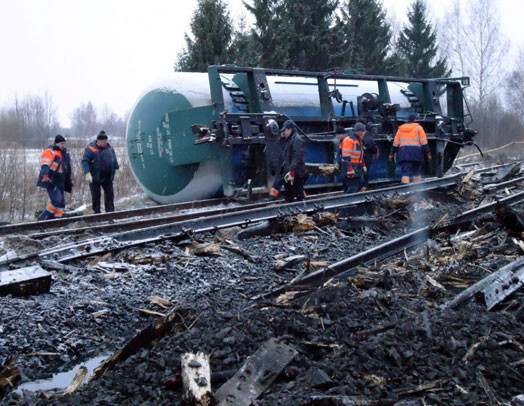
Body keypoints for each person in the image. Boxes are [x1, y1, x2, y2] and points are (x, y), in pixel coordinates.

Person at [82, 130, 120, 213]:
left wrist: (116, 169)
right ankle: (97, 214)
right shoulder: (91, 149)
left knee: (110, 196)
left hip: (107, 176)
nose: (105, 142)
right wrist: (87, 173)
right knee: (96, 197)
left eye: (106, 141)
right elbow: (85, 161)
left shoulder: (109, 148)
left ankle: (110, 214)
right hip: (95, 177)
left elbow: (114, 159)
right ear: (98, 141)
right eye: (103, 141)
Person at [36, 134, 72, 220]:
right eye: (62, 143)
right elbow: (45, 165)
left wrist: (69, 181)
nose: (63, 145)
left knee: (61, 204)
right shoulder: (50, 152)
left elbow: (68, 168)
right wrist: (45, 176)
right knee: (56, 200)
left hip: (61, 181)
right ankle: (44, 218)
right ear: (57, 143)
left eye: (64, 143)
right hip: (52, 181)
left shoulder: (64, 154)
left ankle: (57, 220)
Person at [269, 120, 307, 202]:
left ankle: (304, 207)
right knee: (291, 193)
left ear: (290, 129)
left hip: (296, 173)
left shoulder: (297, 140)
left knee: (296, 193)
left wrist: (292, 171)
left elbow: (297, 157)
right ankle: (299, 206)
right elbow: (283, 148)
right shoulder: (288, 140)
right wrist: (282, 138)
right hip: (290, 172)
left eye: (284, 130)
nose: (283, 132)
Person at [389, 113, 431, 183]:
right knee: (416, 173)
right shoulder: (419, 128)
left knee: (405, 174)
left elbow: (395, 143)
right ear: (415, 120)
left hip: (404, 154)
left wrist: (391, 153)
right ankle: (418, 189)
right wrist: (428, 153)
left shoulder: (401, 129)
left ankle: (405, 190)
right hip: (416, 154)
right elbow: (424, 143)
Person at [335, 126, 366, 194]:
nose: (364, 133)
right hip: (351, 166)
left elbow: (359, 154)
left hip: (356, 166)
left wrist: (363, 164)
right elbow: (345, 156)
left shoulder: (358, 140)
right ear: (358, 131)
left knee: (357, 185)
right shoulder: (349, 140)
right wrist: (349, 169)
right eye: (363, 131)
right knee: (353, 187)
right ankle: (347, 201)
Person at [353, 122, 378, 192]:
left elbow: (371, 145)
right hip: (362, 158)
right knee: (363, 173)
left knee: (364, 173)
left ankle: (363, 188)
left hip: (365, 158)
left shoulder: (365, 137)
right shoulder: (364, 136)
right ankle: (362, 187)